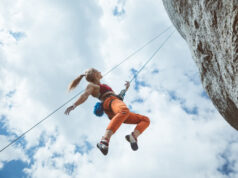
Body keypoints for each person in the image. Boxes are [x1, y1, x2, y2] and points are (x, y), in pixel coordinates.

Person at [64, 68, 150, 155]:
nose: (100, 72)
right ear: (95, 74)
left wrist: (126, 89)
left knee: (145, 120)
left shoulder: (103, 86)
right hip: (109, 102)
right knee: (124, 110)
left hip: (115, 105)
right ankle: (104, 141)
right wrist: (74, 105)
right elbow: (85, 95)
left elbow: (118, 97)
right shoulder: (92, 86)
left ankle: (133, 136)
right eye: (98, 71)